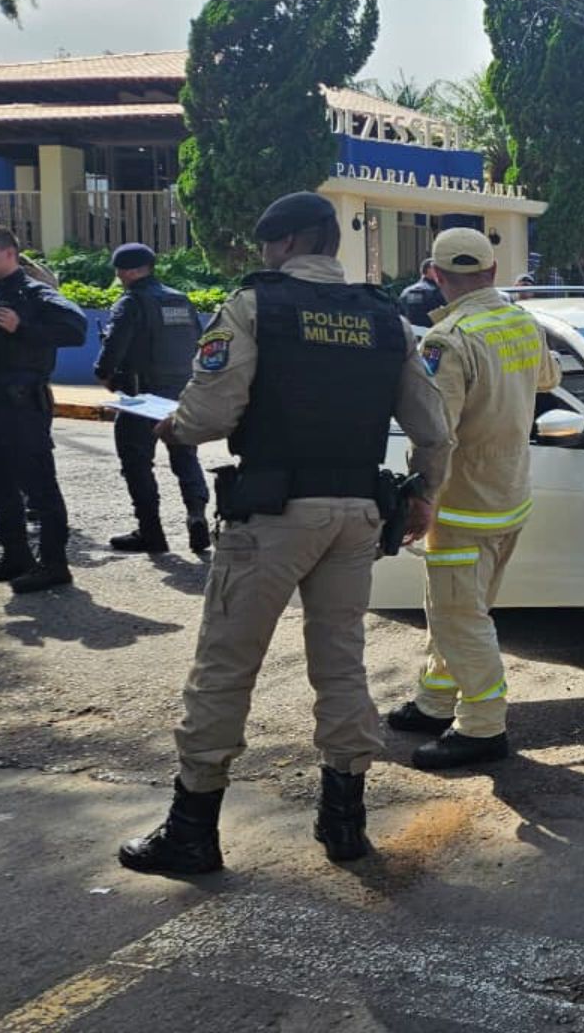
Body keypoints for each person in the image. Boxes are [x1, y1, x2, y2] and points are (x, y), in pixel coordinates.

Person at [118, 192, 451, 875]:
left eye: (269, 246)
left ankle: (192, 832)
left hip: (271, 517)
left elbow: (209, 412)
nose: (264, 256)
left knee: (225, 668)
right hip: (357, 514)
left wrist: (174, 427)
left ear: (289, 243)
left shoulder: (255, 306)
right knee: (341, 663)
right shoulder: (385, 316)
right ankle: (344, 824)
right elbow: (433, 429)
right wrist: (423, 496)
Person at [385, 228, 559, 770]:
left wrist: (421, 496)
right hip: (511, 496)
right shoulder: (520, 321)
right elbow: (548, 378)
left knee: (460, 615)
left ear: (435, 277)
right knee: (461, 607)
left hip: (462, 504)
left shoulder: (448, 340)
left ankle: (483, 726)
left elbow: (438, 433)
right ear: (490, 271)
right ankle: (435, 700)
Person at [93, 243, 213, 556]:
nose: (119, 276)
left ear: (128, 271)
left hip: (141, 397)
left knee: (137, 464)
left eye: (120, 271)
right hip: (181, 394)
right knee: (185, 455)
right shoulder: (180, 300)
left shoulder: (131, 302)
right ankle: (196, 514)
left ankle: (151, 533)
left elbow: (113, 348)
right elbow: (198, 343)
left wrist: (104, 375)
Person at [0, 223, 88, 594]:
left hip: (22, 404)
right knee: (0, 486)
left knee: (39, 486)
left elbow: (76, 328)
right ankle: (16, 555)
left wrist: (23, 327)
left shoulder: (33, 293)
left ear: (7, 252)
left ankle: (54, 563)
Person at [398, 258, 445, 329]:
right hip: (432, 332)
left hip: (409, 333)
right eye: (437, 269)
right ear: (430, 270)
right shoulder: (437, 291)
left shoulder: (406, 291)